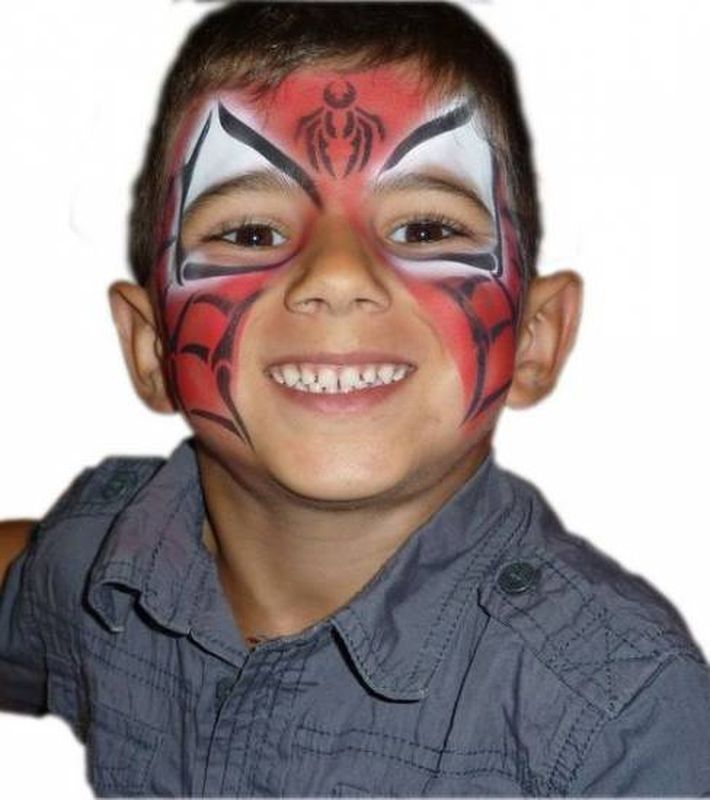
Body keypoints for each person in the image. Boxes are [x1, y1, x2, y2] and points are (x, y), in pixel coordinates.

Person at [1, 1, 709, 796]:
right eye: (251, 233)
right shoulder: (98, 565)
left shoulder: (621, 714)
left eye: (425, 229)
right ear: (152, 351)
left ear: (537, 337)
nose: (337, 275)